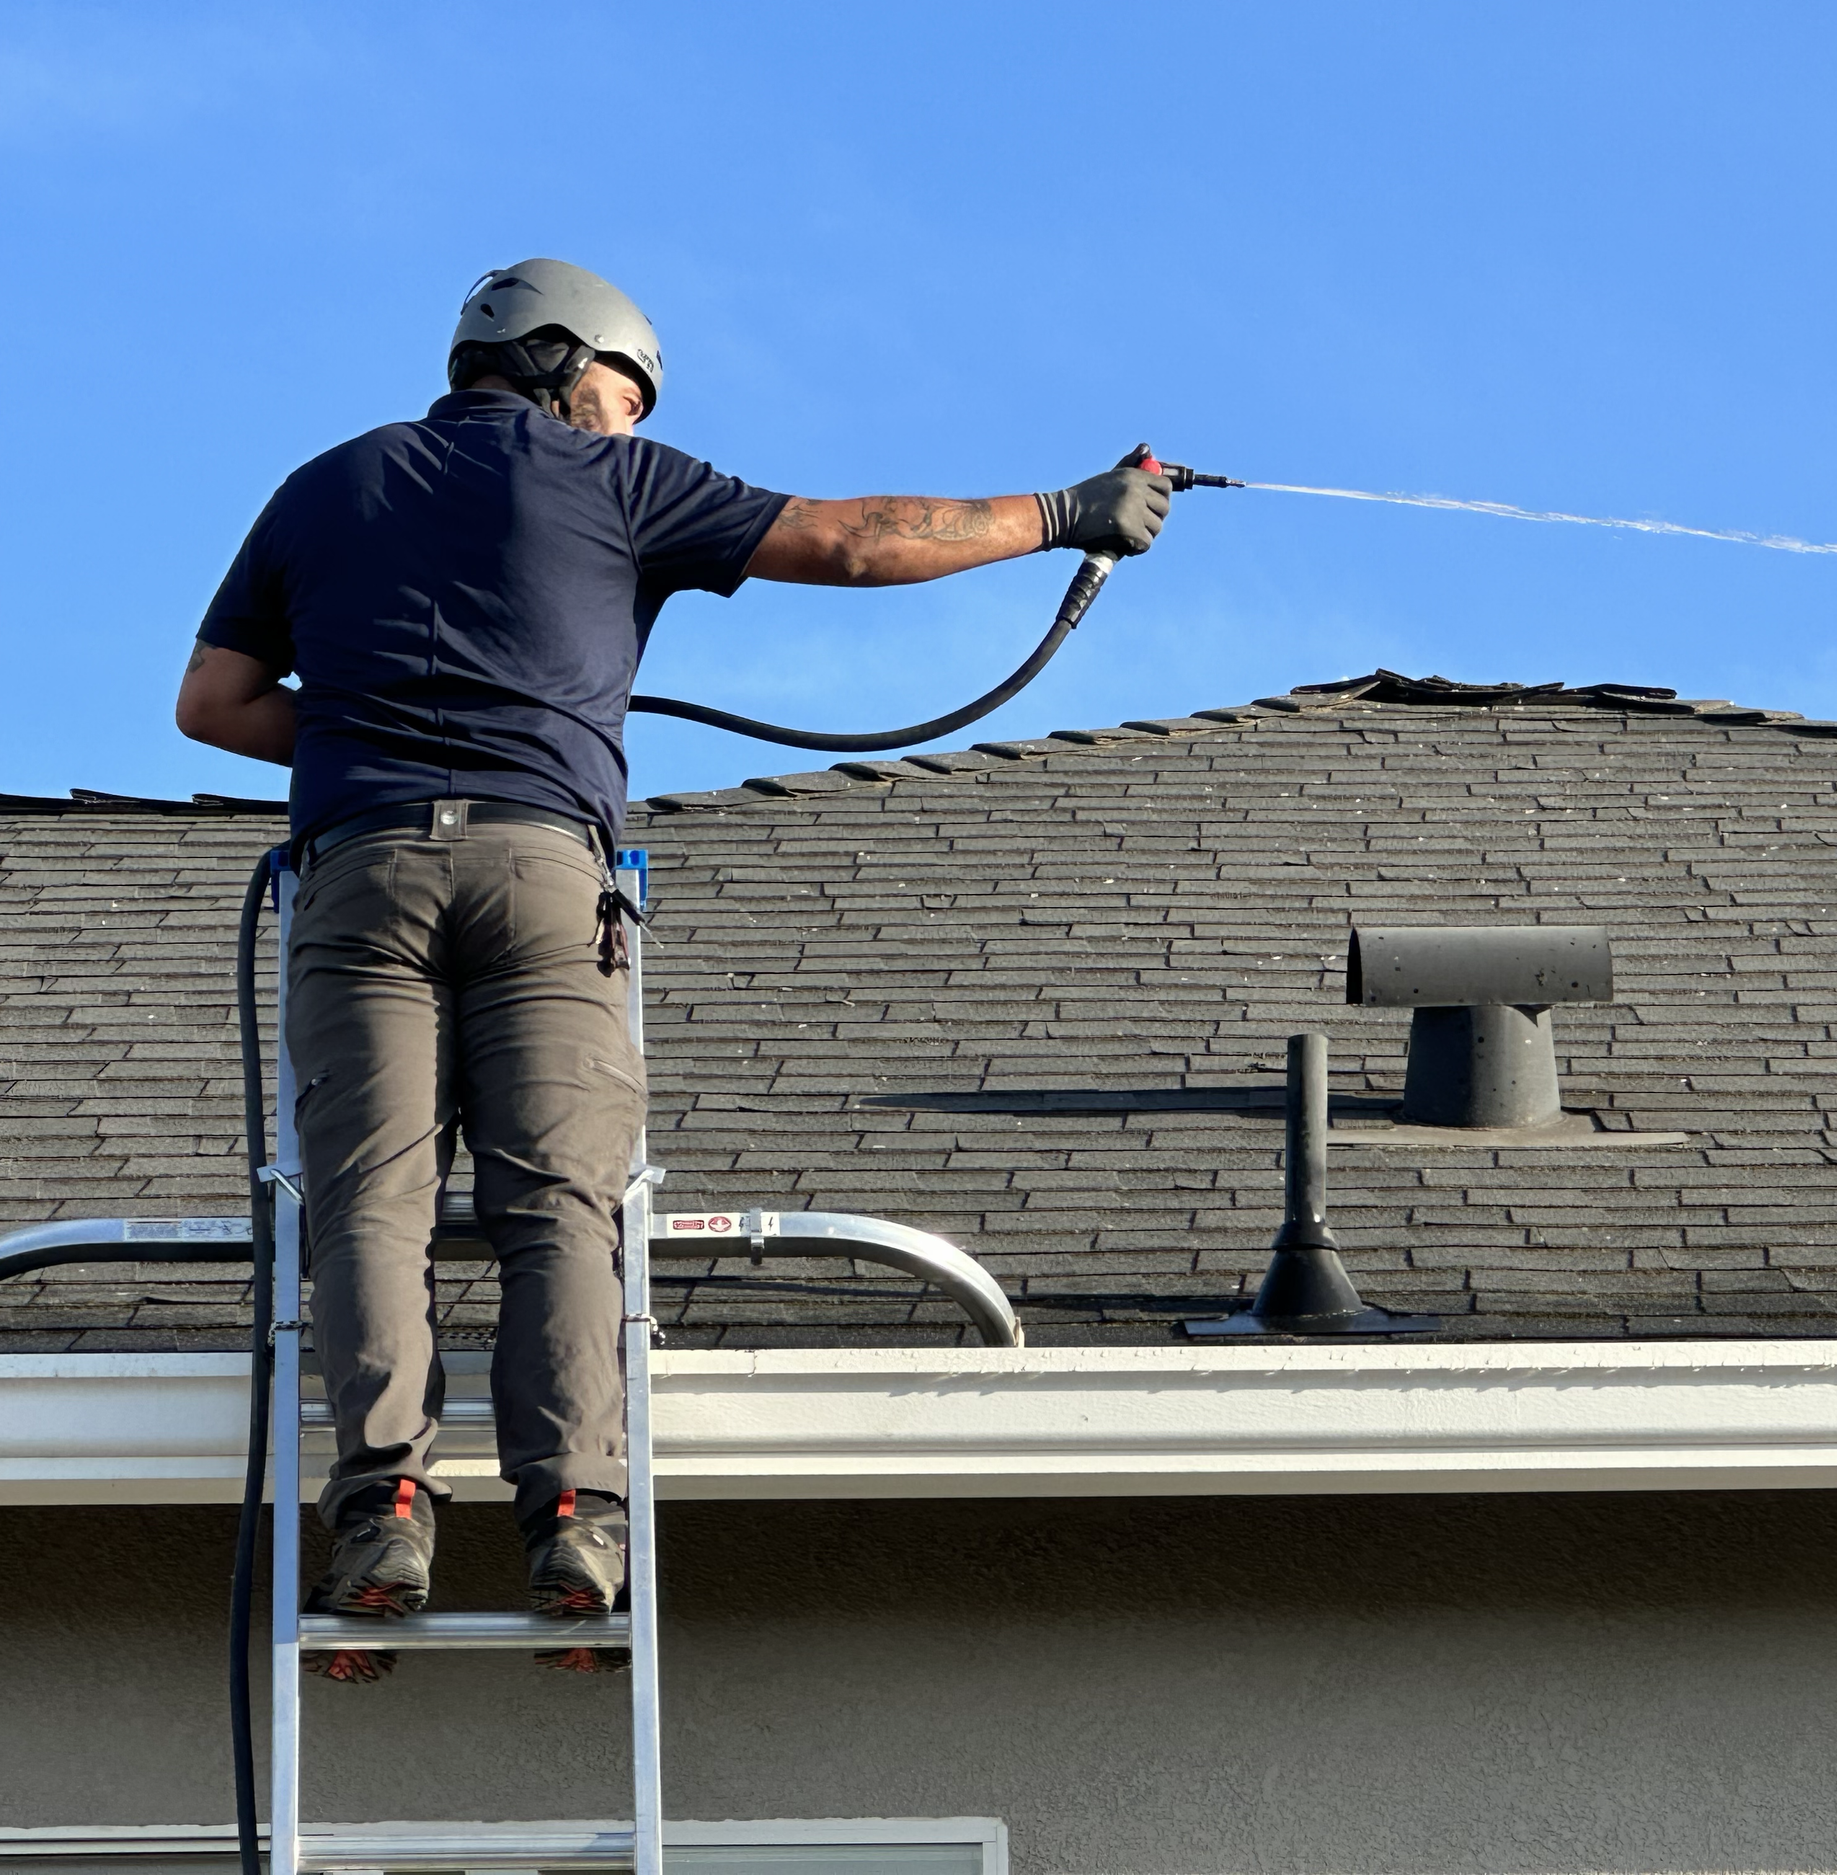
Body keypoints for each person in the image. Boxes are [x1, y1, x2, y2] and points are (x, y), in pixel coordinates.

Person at [175, 258, 1169, 1676]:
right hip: (541, 875)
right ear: (555, 363)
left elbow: (211, 704)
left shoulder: (320, 488)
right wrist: (1068, 513)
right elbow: (853, 540)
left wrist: (367, 730)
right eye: (619, 396)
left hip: (362, 872)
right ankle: (576, 1519)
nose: (626, 426)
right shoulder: (607, 482)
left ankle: (383, 1512)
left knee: (366, 1210)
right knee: (561, 1205)